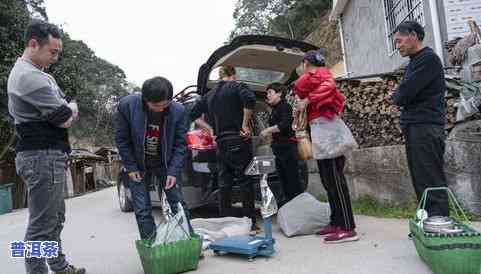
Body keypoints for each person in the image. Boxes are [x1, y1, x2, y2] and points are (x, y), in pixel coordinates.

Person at [7, 20, 84, 274]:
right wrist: (70, 110)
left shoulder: (40, 74)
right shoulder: (28, 76)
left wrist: (66, 109)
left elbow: (62, 109)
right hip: (41, 156)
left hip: (47, 155)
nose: (56, 58)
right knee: (42, 226)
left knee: (54, 220)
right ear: (33, 44)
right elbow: (64, 116)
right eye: (53, 52)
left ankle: (60, 267)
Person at [114, 76, 192, 240]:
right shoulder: (127, 106)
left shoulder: (178, 111)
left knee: (178, 204)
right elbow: (122, 139)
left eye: (165, 105)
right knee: (142, 208)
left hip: (165, 164)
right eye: (156, 105)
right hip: (138, 164)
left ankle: (189, 241)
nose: (161, 109)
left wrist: (173, 171)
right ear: (145, 99)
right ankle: (151, 246)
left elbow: (180, 144)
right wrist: (131, 166)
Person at [294, 49, 358, 244]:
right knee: (327, 179)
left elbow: (329, 85)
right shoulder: (315, 76)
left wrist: (307, 99)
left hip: (328, 130)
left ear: (306, 63)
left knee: (335, 179)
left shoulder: (320, 73)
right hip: (321, 129)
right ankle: (336, 221)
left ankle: (347, 227)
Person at [190, 66, 258, 230]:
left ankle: (225, 222)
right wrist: (244, 124)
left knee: (224, 183)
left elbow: (193, 114)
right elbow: (250, 100)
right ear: (233, 75)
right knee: (245, 181)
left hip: (220, 143)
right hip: (238, 139)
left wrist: (211, 129)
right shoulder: (237, 86)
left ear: (221, 77)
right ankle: (250, 223)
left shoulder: (209, 95)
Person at [392, 21, 449, 217]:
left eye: (399, 41)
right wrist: (400, 93)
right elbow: (403, 94)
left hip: (426, 126)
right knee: (420, 177)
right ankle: (427, 220)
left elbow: (402, 95)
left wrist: (399, 93)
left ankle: (439, 222)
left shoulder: (428, 59)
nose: (397, 46)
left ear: (414, 35)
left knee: (430, 176)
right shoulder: (415, 62)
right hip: (416, 126)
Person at [260, 83, 303, 205]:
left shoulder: (285, 107)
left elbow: (284, 125)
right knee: (283, 179)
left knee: (292, 179)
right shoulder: (274, 110)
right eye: (267, 93)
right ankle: (288, 205)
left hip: (288, 148)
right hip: (278, 149)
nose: (267, 95)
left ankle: (298, 205)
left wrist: (268, 130)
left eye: (270, 92)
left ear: (279, 93)